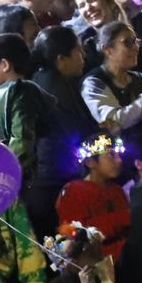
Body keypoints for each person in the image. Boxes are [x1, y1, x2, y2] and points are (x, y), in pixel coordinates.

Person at [81, 21, 142, 179]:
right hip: (116, 166)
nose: (136, 48)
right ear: (108, 49)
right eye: (128, 43)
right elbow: (114, 121)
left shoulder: (139, 79)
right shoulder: (94, 82)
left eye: (136, 42)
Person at [28, 25, 97, 238]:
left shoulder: (46, 79)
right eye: (78, 51)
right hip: (53, 178)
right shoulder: (54, 87)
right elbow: (75, 130)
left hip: (49, 175)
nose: (83, 56)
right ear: (61, 59)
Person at [0, 33, 51, 184]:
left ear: (5, 65)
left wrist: (7, 175)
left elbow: (21, 139)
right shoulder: (4, 91)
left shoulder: (19, 91)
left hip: (2, 179)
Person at [56, 134, 133, 261]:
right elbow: (75, 234)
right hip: (96, 264)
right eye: (111, 155)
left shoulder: (117, 190)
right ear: (90, 162)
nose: (119, 161)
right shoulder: (73, 191)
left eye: (118, 155)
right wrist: (126, 217)